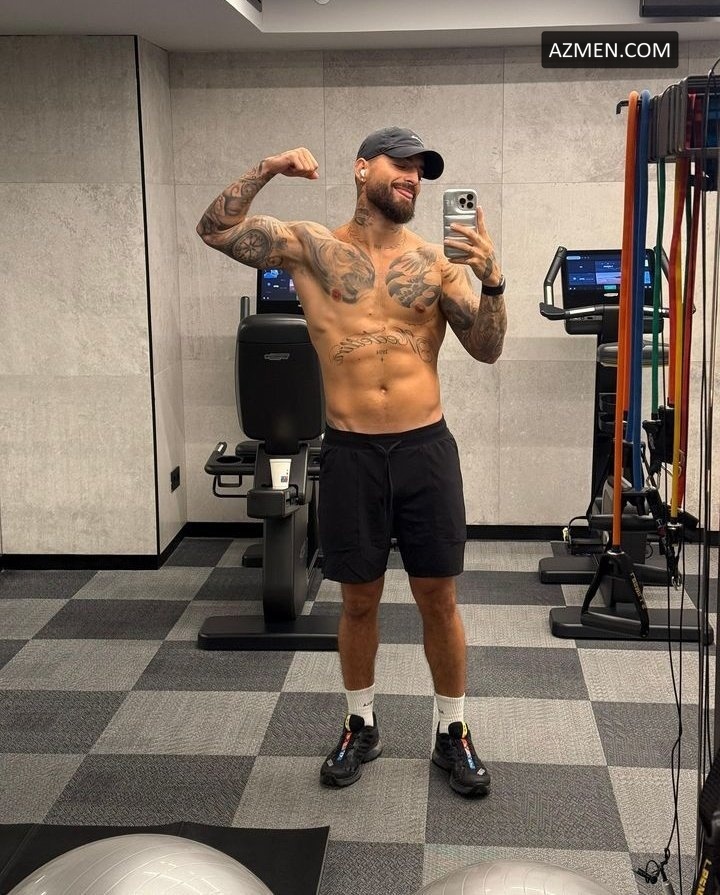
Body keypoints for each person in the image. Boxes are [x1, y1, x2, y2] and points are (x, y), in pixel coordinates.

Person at [197, 126, 507, 797]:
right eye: (403, 164)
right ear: (363, 168)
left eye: (422, 170)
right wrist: (270, 165)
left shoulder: (436, 263)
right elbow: (215, 230)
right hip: (351, 452)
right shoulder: (311, 249)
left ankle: (451, 730)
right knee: (358, 602)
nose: (413, 178)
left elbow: (486, 349)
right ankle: (360, 723)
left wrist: (494, 282)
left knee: (439, 600)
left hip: (425, 450)